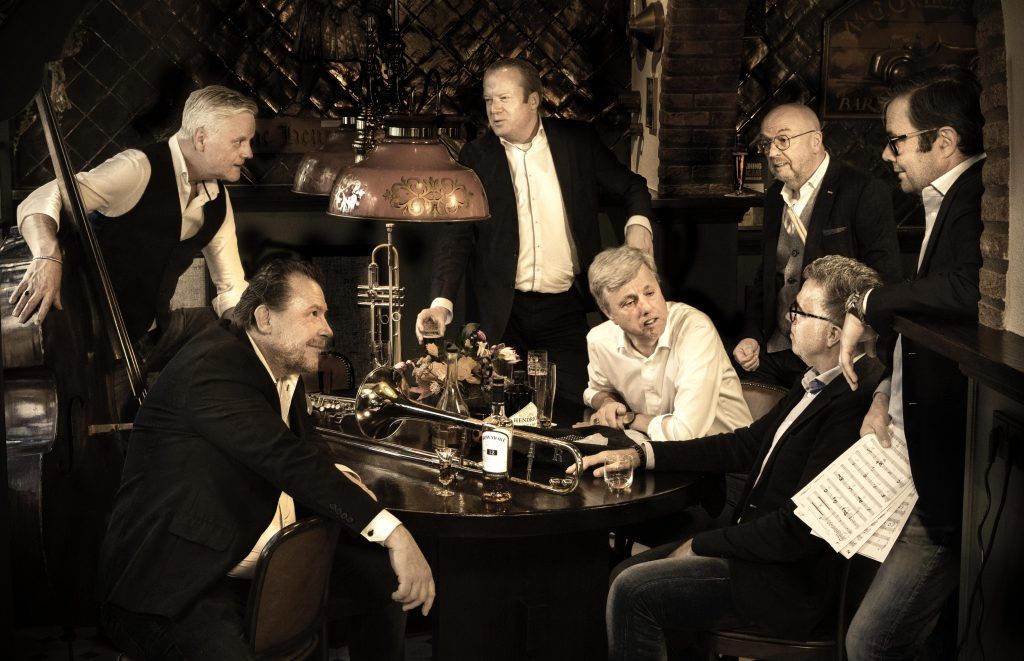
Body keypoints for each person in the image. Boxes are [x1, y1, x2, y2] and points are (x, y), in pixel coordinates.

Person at [96, 259, 434, 661]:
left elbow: (308, 446)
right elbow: (287, 458)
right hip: (174, 582)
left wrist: (344, 479)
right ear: (264, 318)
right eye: (313, 314)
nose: (327, 329)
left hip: (249, 560)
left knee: (384, 577)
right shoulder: (214, 367)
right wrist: (394, 532)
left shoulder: (280, 364)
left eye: (325, 315)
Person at [573, 255, 885, 660]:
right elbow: (743, 445)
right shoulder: (814, 380)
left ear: (834, 334)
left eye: (800, 312)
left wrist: (704, 544)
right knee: (623, 573)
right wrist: (642, 455)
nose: (788, 319)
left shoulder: (852, 401)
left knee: (634, 589)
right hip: (757, 552)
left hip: (783, 583)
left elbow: (798, 528)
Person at [837, 66, 985, 661]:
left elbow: (967, 289)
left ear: (943, 141)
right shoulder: (944, 196)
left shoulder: (977, 195)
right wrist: (883, 396)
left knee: (871, 641)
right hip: (916, 457)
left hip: (948, 470)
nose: (886, 153)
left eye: (896, 140)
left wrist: (866, 302)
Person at [415, 58, 654, 425]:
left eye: (504, 99)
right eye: (488, 100)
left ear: (533, 100)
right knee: (505, 417)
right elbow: (457, 233)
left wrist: (639, 226)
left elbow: (633, 186)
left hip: (565, 306)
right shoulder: (475, 156)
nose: (494, 109)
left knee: (572, 408)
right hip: (503, 312)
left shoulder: (577, 142)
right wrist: (440, 303)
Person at [11, 84, 254, 375]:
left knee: (212, 328)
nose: (249, 152)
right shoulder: (137, 169)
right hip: (86, 337)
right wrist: (47, 254)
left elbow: (231, 286)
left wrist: (252, 341)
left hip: (144, 336)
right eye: (239, 141)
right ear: (201, 138)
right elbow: (44, 196)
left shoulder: (219, 201)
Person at [734, 103, 901, 388]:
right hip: (774, 349)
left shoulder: (863, 190)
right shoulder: (774, 196)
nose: (772, 153)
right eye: (767, 143)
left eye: (783, 140)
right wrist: (751, 334)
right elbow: (768, 273)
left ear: (815, 140)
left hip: (833, 356)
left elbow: (884, 278)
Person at [584, 245, 751, 441]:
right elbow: (596, 391)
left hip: (726, 452)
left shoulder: (695, 330)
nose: (646, 307)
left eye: (650, 293)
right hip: (656, 450)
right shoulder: (600, 341)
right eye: (629, 303)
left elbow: (684, 433)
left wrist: (630, 418)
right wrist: (607, 403)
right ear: (608, 313)